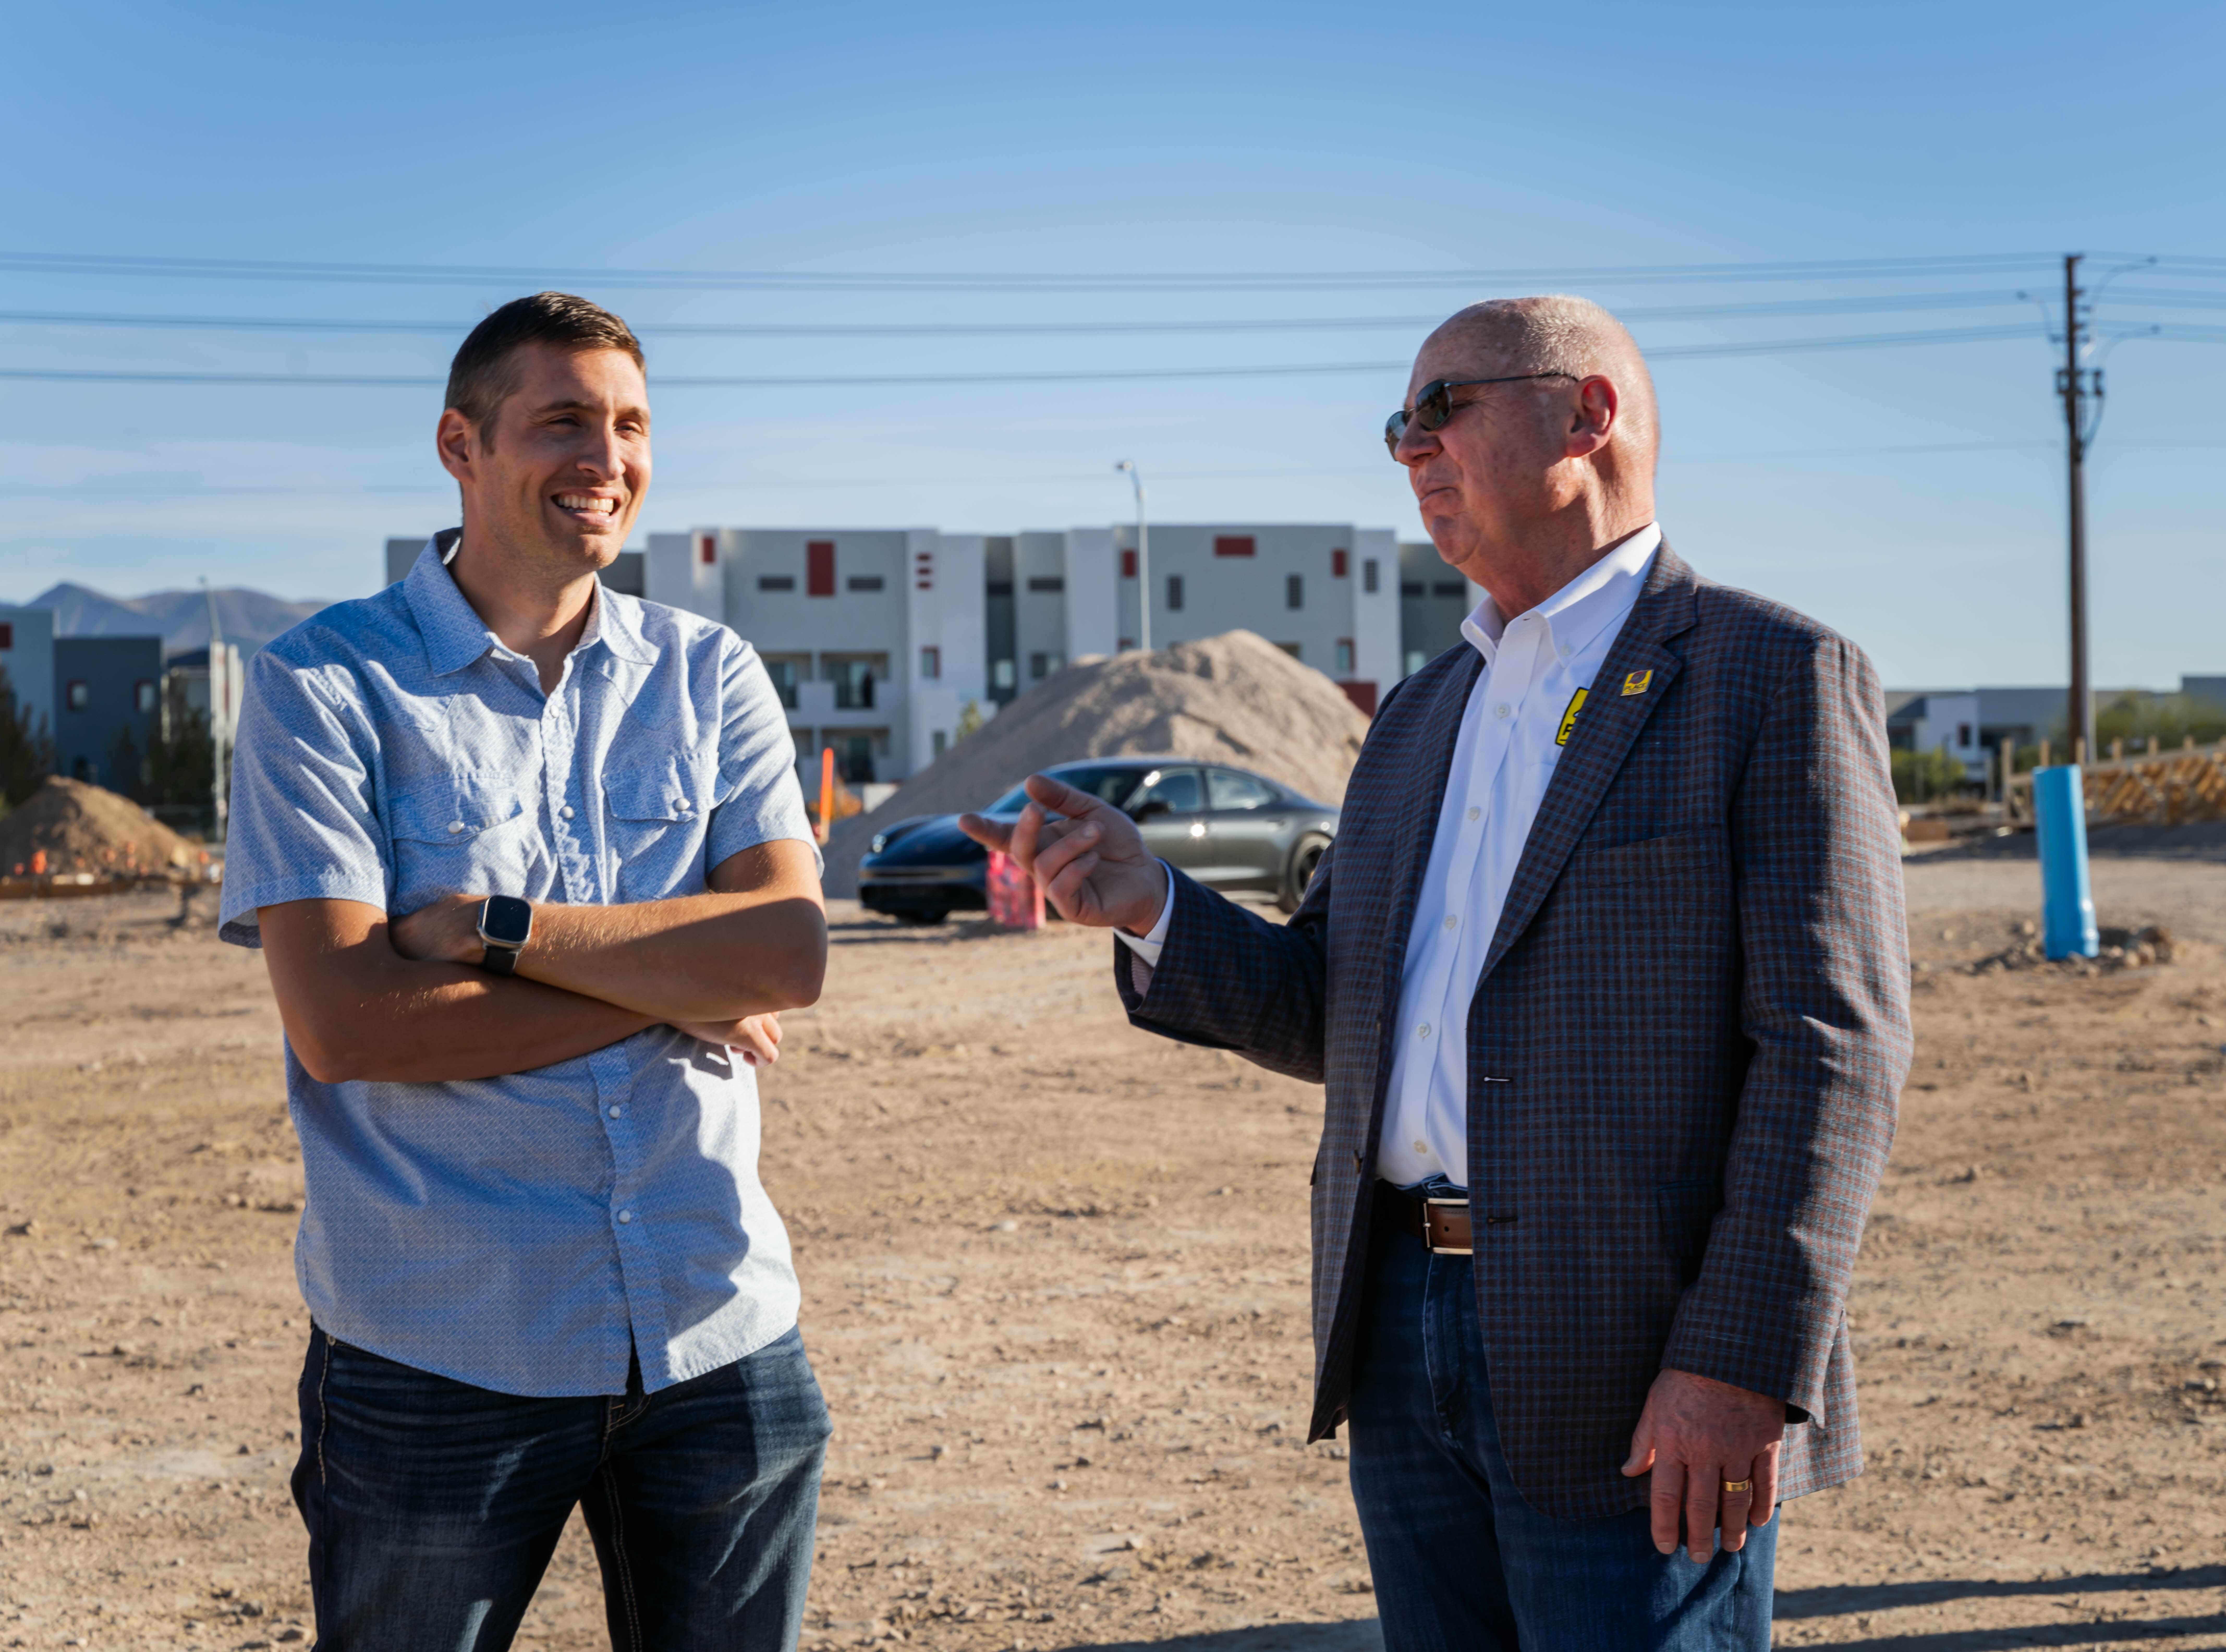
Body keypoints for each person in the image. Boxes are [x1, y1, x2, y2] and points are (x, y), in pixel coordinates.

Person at [962, 296, 1909, 1650]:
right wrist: (1149, 903)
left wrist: (1738, 1365)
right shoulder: (1421, 713)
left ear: (1590, 413)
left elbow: (1836, 1052)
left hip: (1635, 1350)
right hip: (1401, 1337)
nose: (1409, 449)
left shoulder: (1771, 678)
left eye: (1442, 407)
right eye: (1396, 423)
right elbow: (1333, 1009)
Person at [219, 292, 832, 1651]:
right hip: (443, 1352)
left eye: (629, 425)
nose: (604, 457)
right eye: (562, 421)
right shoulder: (324, 688)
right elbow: (353, 1025)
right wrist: (671, 973)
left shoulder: (709, 674)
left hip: (718, 1337)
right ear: (461, 444)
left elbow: (787, 955)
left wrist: (497, 930)